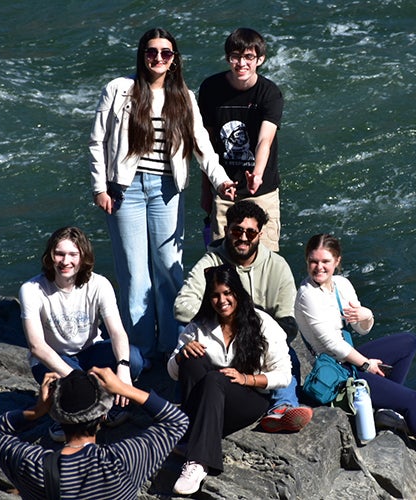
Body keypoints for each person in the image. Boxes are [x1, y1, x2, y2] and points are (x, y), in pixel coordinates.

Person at [88, 27, 237, 363]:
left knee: (169, 270)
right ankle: (139, 351)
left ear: (174, 60)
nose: (158, 58)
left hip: (167, 190)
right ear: (143, 55)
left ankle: (173, 346)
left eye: (165, 53)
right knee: (133, 272)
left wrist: (221, 181)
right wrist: (100, 187)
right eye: (151, 52)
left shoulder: (183, 96)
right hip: (125, 190)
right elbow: (97, 141)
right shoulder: (119, 89)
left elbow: (203, 147)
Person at [294, 234, 416, 482]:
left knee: (407, 342)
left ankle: (383, 408)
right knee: (409, 400)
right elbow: (332, 344)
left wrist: (366, 314)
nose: (319, 267)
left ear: (337, 261)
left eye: (325, 261)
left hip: (348, 361)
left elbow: (363, 329)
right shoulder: (307, 294)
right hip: (335, 372)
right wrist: (366, 363)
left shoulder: (341, 285)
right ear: (306, 261)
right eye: (313, 261)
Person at [174, 200, 312, 433]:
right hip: (220, 336)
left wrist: (251, 325)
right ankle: (196, 407)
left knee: (288, 352)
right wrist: (222, 315)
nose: (243, 237)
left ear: (260, 234)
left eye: (251, 232)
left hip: (259, 339)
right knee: (188, 342)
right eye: (237, 231)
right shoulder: (211, 263)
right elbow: (182, 307)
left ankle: (282, 407)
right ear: (227, 230)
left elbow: (287, 320)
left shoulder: (276, 266)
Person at [167, 264, 292, 495]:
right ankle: (195, 433)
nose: (221, 300)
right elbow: (173, 371)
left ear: (237, 293)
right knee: (192, 359)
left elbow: (284, 374)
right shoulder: (200, 325)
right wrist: (183, 353)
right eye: (215, 295)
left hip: (248, 399)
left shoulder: (261, 322)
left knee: (215, 379)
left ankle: (198, 460)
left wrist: (247, 379)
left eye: (227, 293)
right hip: (210, 401)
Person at [0, 366, 188, 500]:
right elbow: (177, 420)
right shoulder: (122, 461)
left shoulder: (32, 464)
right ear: (103, 415)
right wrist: (124, 388)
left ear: (56, 416)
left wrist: (36, 411)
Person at [19, 226, 143, 440]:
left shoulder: (99, 284)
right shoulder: (31, 289)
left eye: (73, 255)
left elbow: (117, 332)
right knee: (77, 392)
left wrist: (123, 368)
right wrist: (77, 378)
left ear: (83, 256)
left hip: (90, 351)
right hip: (54, 359)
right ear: (50, 256)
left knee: (134, 359)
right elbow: (36, 346)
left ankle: (105, 403)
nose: (65, 261)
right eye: (59, 254)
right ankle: (62, 416)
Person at [198, 27, 284, 251]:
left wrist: (257, 174)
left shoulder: (270, 93)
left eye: (249, 57)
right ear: (228, 58)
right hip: (225, 189)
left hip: (261, 192)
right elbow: (206, 145)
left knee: (266, 261)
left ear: (260, 59)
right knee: (221, 264)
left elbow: (264, 140)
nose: (241, 63)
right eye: (235, 56)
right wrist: (207, 190)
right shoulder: (210, 89)